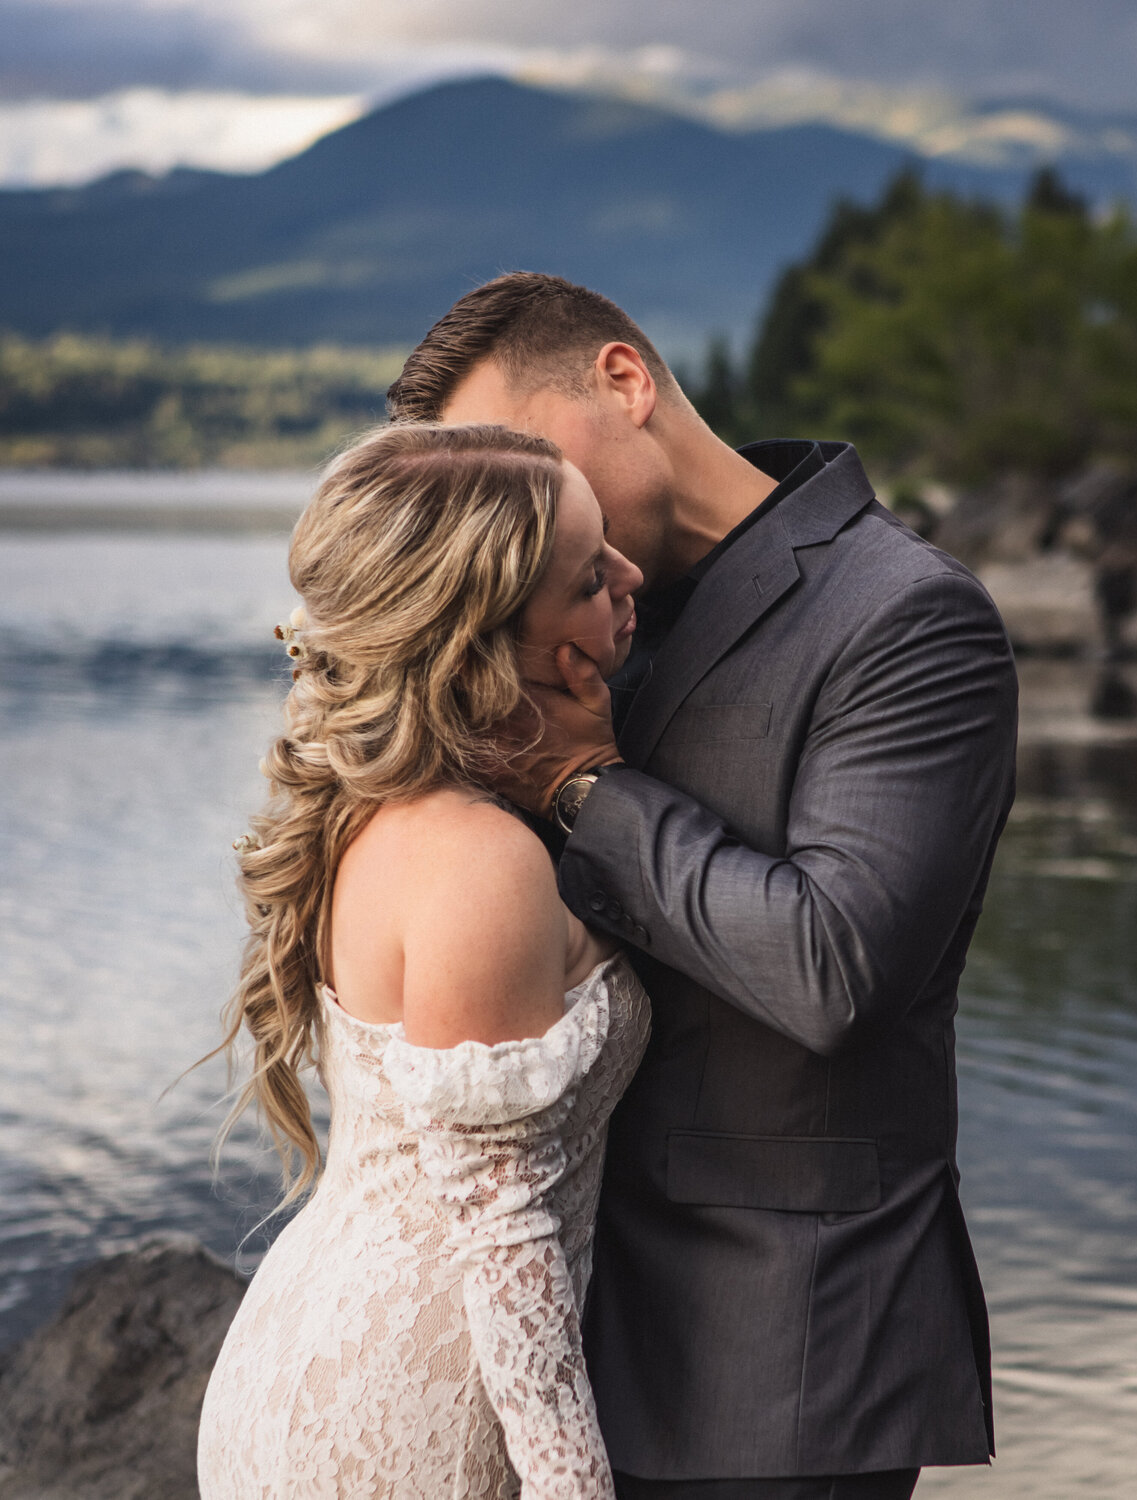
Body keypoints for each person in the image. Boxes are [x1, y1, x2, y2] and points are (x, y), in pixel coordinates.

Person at [386, 272, 1020, 1500]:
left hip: (780, 1360)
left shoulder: (906, 617)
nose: (517, 502)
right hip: (537, 1336)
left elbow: (836, 967)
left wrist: (583, 787)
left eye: (524, 449)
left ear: (624, 382)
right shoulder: (558, 613)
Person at [197, 421, 650, 1498]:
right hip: (413, 1413)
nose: (634, 577)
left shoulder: (378, 804)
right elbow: (507, 1241)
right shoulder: (478, 866)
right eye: (591, 578)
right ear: (481, 641)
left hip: (316, 1348)